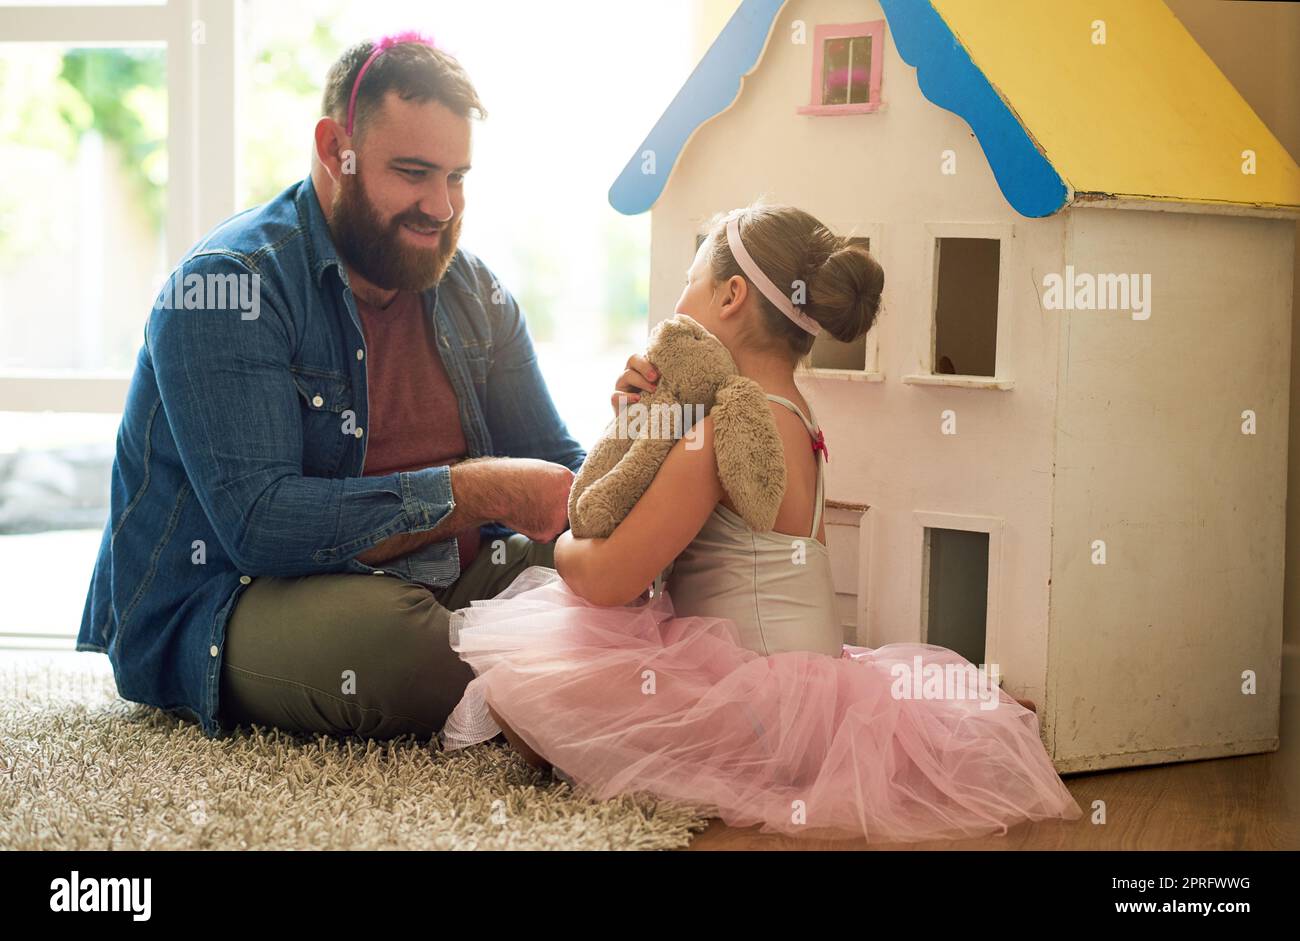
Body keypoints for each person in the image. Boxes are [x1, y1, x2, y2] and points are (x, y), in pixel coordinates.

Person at [440, 203, 1084, 843]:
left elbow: (611, 580)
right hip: (816, 701)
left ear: (731, 295)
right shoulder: (795, 418)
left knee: (525, 682)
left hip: (752, 713)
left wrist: (563, 537)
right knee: (552, 685)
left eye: (688, 281)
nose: (677, 301)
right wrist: (636, 425)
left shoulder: (723, 430)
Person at [76, 33, 587, 742]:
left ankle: (520, 668)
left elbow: (555, 459)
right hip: (249, 598)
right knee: (400, 652)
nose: (441, 206)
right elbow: (260, 526)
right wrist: (481, 490)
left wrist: (631, 465)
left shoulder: (475, 290)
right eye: (413, 172)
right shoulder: (226, 288)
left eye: (458, 177)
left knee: (598, 568)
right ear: (332, 148)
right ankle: (541, 670)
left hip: (447, 583)